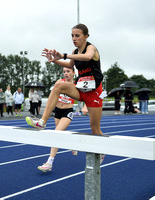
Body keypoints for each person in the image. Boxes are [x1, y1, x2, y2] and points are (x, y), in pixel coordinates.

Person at [26, 23, 105, 165]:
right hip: (81, 89)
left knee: (95, 129)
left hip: (94, 93)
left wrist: (63, 54)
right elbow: (70, 65)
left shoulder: (91, 48)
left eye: (77, 36)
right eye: (72, 36)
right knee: (58, 85)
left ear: (85, 36)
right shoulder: (74, 51)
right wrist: (55, 60)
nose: (74, 38)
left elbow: (87, 57)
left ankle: (102, 149)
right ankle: (42, 122)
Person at [37, 67, 76, 172]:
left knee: (56, 133)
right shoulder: (59, 83)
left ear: (73, 72)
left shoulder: (76, 85)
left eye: (68, 71)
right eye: (64, 72)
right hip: (57, 111)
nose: (66, 74)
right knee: (60, 134)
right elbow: (52, 96)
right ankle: (73, 144)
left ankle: (49, 163)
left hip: (67, 112)